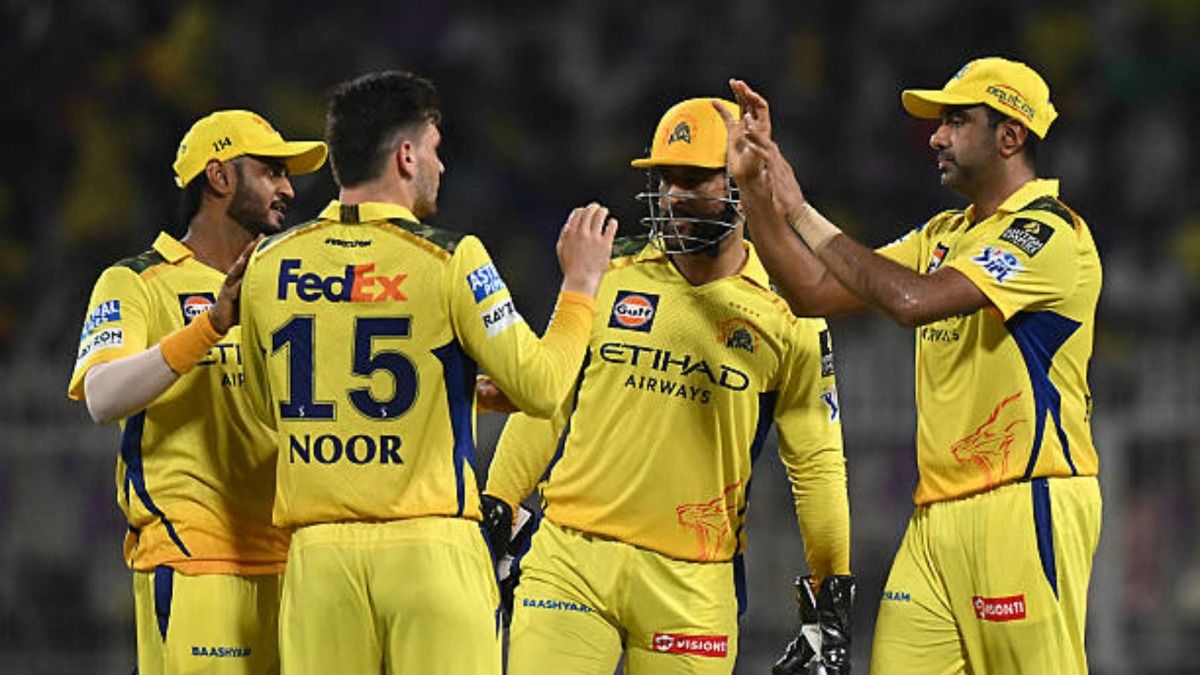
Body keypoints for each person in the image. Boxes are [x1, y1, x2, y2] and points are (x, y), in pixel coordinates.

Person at [720, 57, 1102, 674]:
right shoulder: (944, 234)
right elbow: (814, 291)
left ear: (1011, 136)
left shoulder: (1050, 234)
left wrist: (800, 208)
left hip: (1022, 504)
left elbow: (910, 301)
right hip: (935, 519)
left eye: (957, 121)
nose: (936, 137)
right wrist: (760, 192)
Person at [236, 70, 616, 675]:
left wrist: (460, 395)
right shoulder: (450, 257)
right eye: (436, 152)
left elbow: (265, 404)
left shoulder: (268, 262)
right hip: (431, 552)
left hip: (318, 562)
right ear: (407, 156)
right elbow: (543, 388)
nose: (442, 167)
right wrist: (580, 287)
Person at [480, 96, 852, 675]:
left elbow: (817, 463)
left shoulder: (790, 311)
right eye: (664, 179)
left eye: (693, 179)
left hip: (692, 583)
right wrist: (499, 503)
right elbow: (548, 403)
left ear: (742, 183)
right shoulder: (606, 272)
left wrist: (831, 592)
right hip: (570, 559)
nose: (674, 195)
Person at [67, 110, 327, 674]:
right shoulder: (136, 280)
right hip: (196, 560)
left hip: (297, 561)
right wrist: (209, 326)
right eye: (272, 171)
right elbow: (102, 396)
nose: (288, 188)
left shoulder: (292, 289)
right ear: (220, 177)